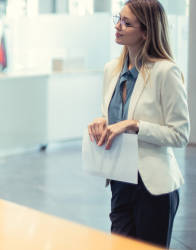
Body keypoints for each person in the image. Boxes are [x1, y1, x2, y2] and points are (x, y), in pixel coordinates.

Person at [87, 0, 188, 247]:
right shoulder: (111, 69)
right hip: (120, 182)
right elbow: (110, 115)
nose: (118, 27)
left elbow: (180, 134)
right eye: (118, 19)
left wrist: (135, 125)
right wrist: (101, 121)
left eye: (126, 23)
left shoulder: (166, 72)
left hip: (153, 187)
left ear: (146, 31)